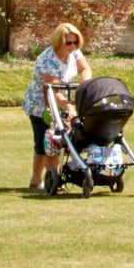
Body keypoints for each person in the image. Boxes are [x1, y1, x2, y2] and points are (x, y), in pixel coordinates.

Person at [22, 23, 92, 191]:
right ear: (58, 42)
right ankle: (50, 179)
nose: (73, 46)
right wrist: (70, 109)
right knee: (46, 142)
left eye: (76, 42)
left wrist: (86, 85)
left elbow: (85, 68)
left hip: (60, 100)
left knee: (52, 141)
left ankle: (36, 179)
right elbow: (54, 92)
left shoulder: (74, 52)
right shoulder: (48, 60)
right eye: (69, 43)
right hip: (41, 104)